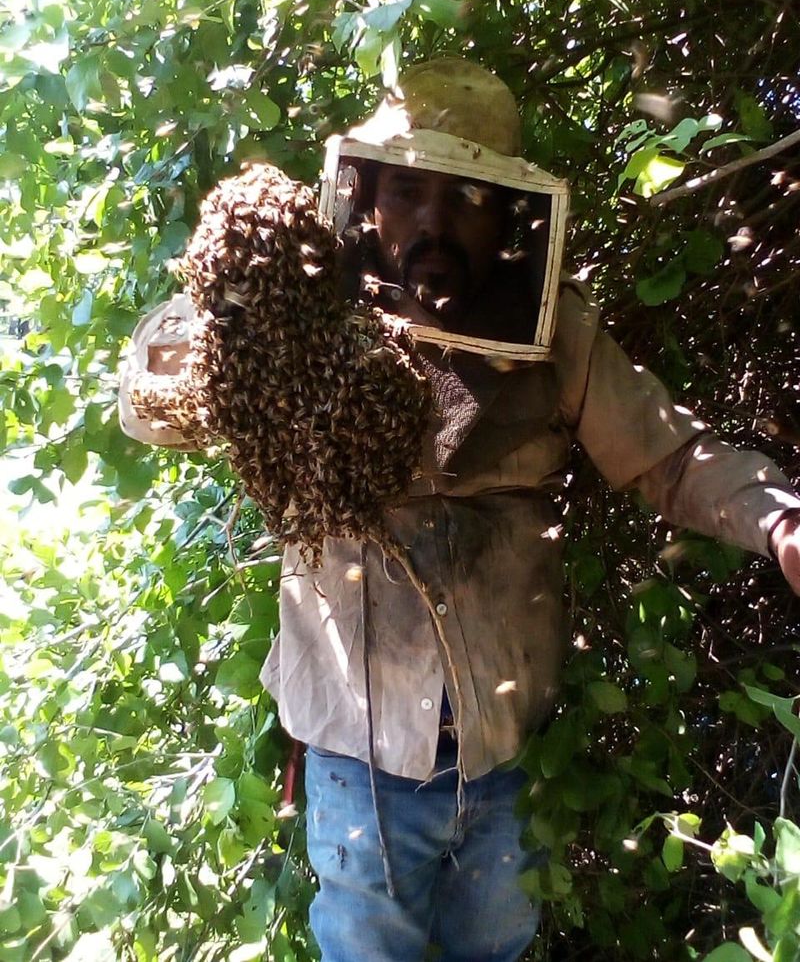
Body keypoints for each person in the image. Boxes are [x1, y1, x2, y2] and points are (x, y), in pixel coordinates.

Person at [119, 58, 800, 962]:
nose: (435, 223)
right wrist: (236, 312)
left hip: (505, 757)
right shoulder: (308, 310)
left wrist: (779, 518)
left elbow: (670, 457)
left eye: (467, 198)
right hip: (359, 763)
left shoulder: (554, 331)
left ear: (509, 214)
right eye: (409, 190)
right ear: (367, 199)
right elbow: (150, 404)